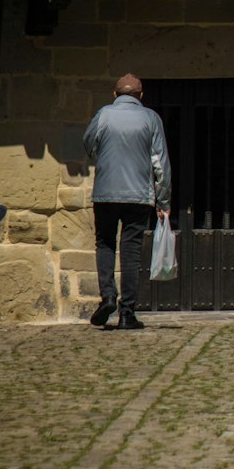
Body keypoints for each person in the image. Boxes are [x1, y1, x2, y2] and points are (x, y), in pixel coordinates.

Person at [83, 73, 171, 330]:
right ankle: (127, 312)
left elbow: (89, 145)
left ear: (115, 94)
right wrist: (163, 200)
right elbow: (160, 164)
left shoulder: (103, 115)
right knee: (131, 252)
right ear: (141, 96)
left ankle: (108, 296)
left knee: (105, 244)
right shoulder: (151, 118)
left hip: (106, 193)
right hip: (138, 196)